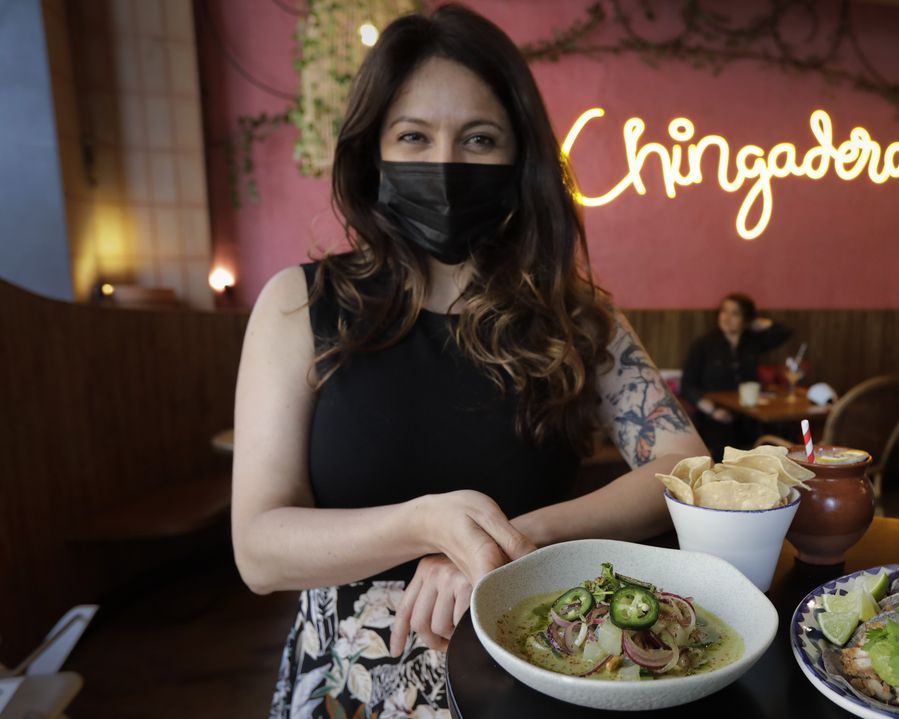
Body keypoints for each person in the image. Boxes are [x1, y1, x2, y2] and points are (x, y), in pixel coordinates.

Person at [230, 7, 708, 717]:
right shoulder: (298, 304)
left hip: (541, 661)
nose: (444, 163)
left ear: (521, 161)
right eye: (414, 136)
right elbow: (260, 548)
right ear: (373, 153)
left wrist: (520, 539)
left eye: (479, 138)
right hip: (350, 681)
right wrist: (428, 523)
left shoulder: (577, 316)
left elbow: (685, 464)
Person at [679, 293, 792, 461]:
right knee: (724, 445)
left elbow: (784, 332)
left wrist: (754, 323)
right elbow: (687, 386)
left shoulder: (752, 342)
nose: (726, 317)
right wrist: (713, 410)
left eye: (735, 313)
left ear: (745, 319)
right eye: (724, 311)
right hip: (715, 414)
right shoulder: (704, 344)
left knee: (777, 437)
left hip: (750, 413)